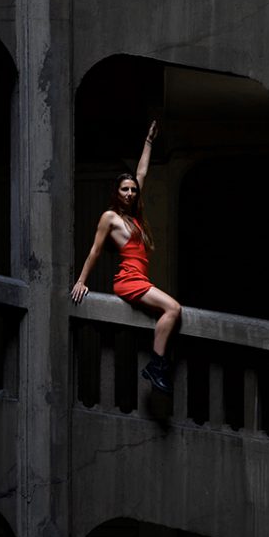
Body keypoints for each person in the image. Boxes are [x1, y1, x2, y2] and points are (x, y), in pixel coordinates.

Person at [71, 121, 181, 395]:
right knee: (174, 309)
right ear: (116, 193)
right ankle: (157, 366)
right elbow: (95, 251)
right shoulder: (110, 218)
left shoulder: (136, 217)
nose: (131, 193)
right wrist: (81, 281)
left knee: (170, 311)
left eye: (133, 190)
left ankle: (157, 365)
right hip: (128, 280)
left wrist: (148, 141)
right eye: (125, 189)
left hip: (139, 278)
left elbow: (141, 173)